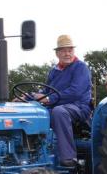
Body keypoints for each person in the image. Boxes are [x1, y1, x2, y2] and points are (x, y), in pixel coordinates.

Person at [34, 35, 92, 167]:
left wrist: (49, 99)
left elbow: (75, 92)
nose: (67, 54)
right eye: (64, 51)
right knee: (36, 113)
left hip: (79, 107)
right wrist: (27, 97)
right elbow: (45, 92)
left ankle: (69, 157)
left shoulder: (80, 67)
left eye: (70, 50)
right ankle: (38, 156)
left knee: (59, 112)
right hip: (58, 105)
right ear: (57, 53)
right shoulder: (54, 72)